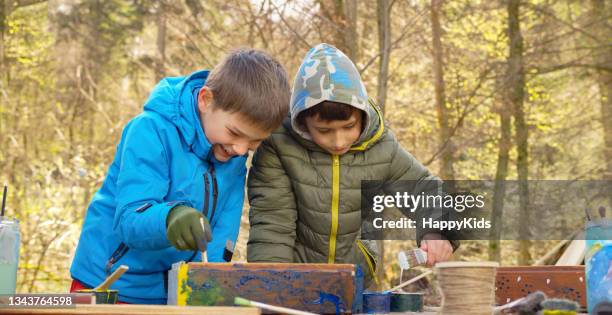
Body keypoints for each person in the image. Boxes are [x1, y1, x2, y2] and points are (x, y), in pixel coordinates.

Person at [70, 48, 290, 304]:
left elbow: (221, 234)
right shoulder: (151, 131)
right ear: (206, 100)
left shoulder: (233, 158)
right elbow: (130, 219)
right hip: (110, 285)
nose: (241, 149)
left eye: (254, 142)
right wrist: (171, 217)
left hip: (175, 294)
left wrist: (211, 287)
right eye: (234, 133)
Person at [247, 43, 458, 287]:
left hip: (353, 279)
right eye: (324, 131)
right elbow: (273, 225)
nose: (338, 141)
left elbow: (429, 191)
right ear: (303, 122)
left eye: (348, 127)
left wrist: (437, 232)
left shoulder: (381, 147)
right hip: (295, 278)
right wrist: (274, 290)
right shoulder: (279, 146)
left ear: (362, 114)